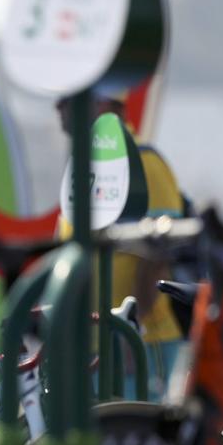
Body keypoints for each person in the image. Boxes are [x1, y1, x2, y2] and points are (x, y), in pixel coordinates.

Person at [56, 92, 187, 391]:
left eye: (70, 97)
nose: (59, 106)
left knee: (137, 436)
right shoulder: (83, 164)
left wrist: (130, 331)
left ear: (107, 104)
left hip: (138, 343)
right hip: (92, 346)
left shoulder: (143, 162)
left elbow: (158, 256)